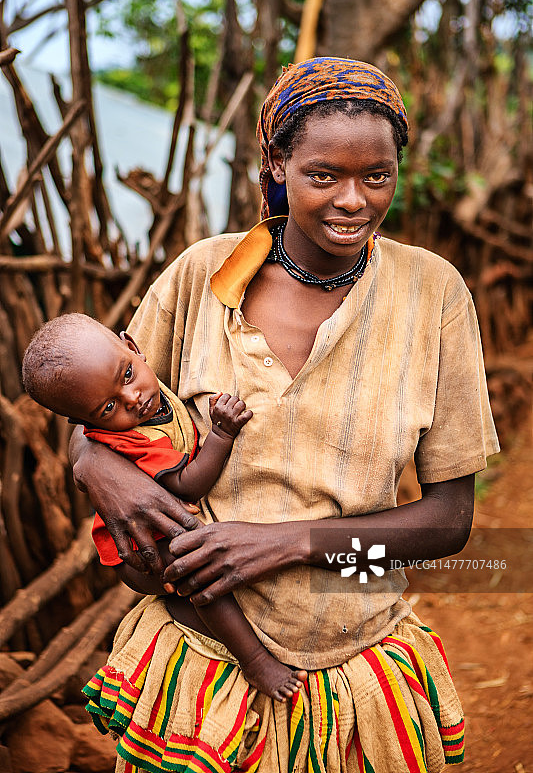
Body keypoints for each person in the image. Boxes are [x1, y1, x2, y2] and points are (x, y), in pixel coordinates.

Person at [68, 58, 499, 773]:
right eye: (323, 175)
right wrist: (96, 466)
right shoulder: (201, 276)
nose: (353, 201)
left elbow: (449, 522)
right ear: (276, 163)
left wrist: (287, 543)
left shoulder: (433, 294)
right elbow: (95, 411)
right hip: (200, 666)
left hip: (355, 654)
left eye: (378, 176)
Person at [21, 313, 307, 702]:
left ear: (133, 347)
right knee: (200, 573)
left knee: (192, 580)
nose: (133, 399)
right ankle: (254, 661)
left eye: (126, 375)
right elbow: (188, 484)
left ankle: (188, 611)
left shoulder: (157, 390)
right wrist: (222, 433)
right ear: (84, 421)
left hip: (161, 531)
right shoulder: (131, 438)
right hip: (141, 549)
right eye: (108, 407)